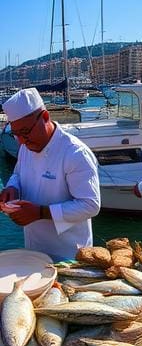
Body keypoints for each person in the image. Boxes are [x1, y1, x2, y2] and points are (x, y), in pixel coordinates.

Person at [0, 88, 100, 260]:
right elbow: (18, 173)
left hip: (69, 254)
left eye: (25, 132)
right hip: (34, 250)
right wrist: (12, 187)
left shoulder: (74, 153)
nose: (22, 141)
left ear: (45, 117)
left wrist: (40, 213)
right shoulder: (26, 147)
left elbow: (90, 205)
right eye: (16, 134)